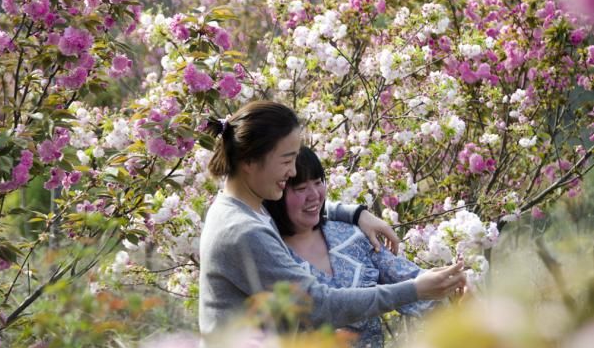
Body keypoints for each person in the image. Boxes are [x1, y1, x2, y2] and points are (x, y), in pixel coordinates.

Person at [198, 101, 465, 335]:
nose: (292, 172)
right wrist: (415, 289)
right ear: (249, 160)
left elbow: (298, 208)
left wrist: (355, 213)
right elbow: (318, 306)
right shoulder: (244, 232)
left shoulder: (243, 208)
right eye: (287, 160)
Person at [263, 146, 438, 348]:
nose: (314, 195)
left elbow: (408, 278)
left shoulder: (348, 235)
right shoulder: (269, 253)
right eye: (300, 188)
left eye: (318, 182)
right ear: (276, 192)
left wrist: (450, 284)